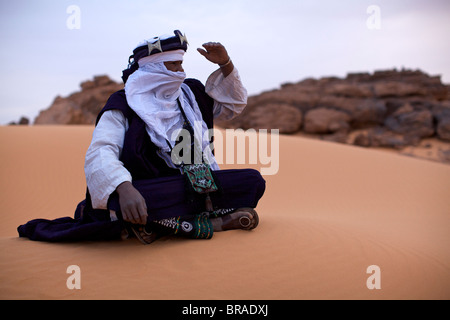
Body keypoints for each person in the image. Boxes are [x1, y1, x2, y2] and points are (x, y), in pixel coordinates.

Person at [18, 30, 265, 244]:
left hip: (195, 186)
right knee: (129, 201)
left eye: (181, 64)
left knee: (252, 181)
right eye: (173, 65)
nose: (181, 72)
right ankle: (206, 221)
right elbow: (101, 151)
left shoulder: (191, 94)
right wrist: (123, 188)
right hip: (146, 190)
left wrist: (226, 64)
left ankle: (163, 223)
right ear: (154, 67)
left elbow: (232, 106)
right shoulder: (123, 104)